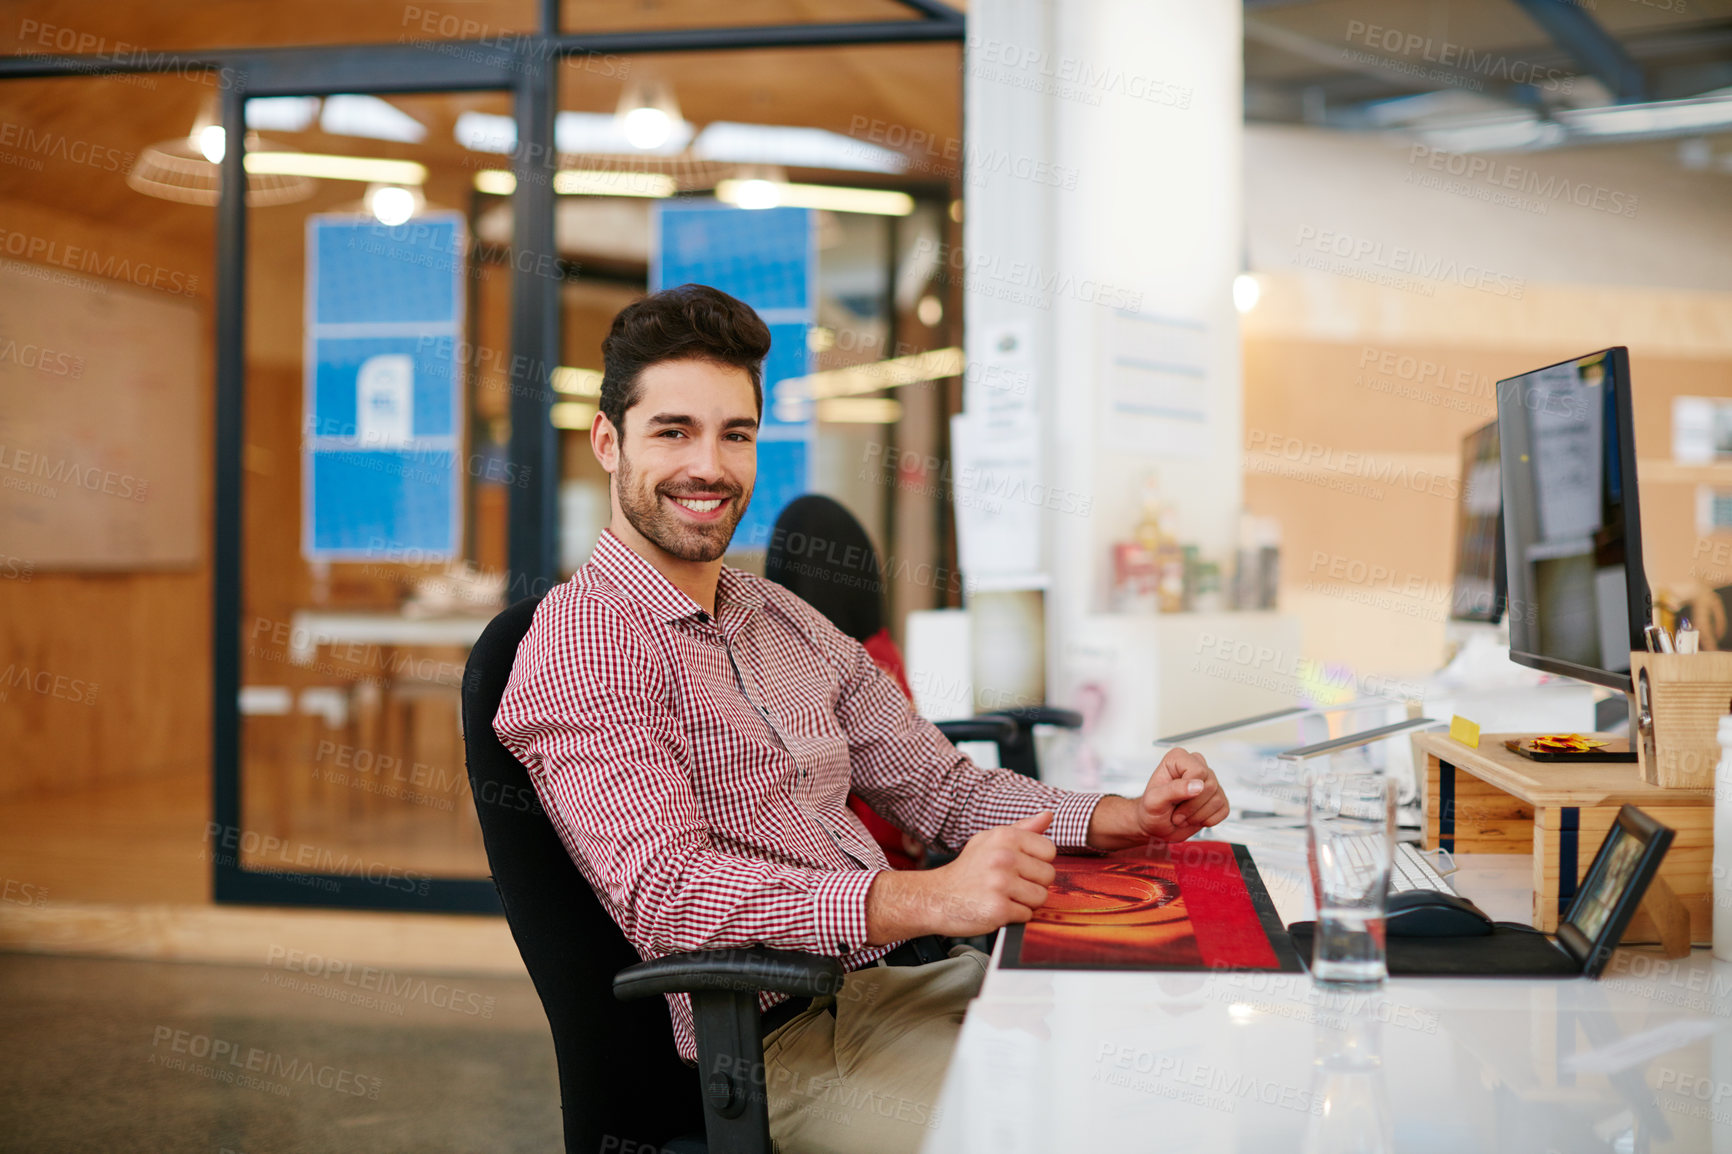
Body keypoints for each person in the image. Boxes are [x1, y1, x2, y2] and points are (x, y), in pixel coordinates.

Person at [493, 283, 1230, 1154]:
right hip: (789, 1039)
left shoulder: (782, 619)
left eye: (736, 434)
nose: (710, 466)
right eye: (674, 431)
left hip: (915, 978)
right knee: (1049, 1133)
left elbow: (942, 787)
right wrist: (924, 896)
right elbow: (671, 897)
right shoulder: (585, 644)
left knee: (1183, 1066)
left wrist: (1123, 819)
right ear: (608, 442)